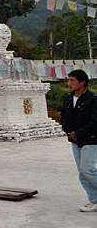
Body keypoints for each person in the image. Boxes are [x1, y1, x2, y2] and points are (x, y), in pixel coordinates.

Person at [62, 69, 97, 212]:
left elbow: (95, 121)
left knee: (87, 169)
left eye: (72, 80)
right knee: (82, 174)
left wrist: (78, 132)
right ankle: (94, 200)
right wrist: (68, 131)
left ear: (82, 82)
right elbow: (64, 116)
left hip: (91, 139)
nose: (69, 83)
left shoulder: (93, 99)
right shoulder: (68, 98)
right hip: (75, 140)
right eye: (68, 80)